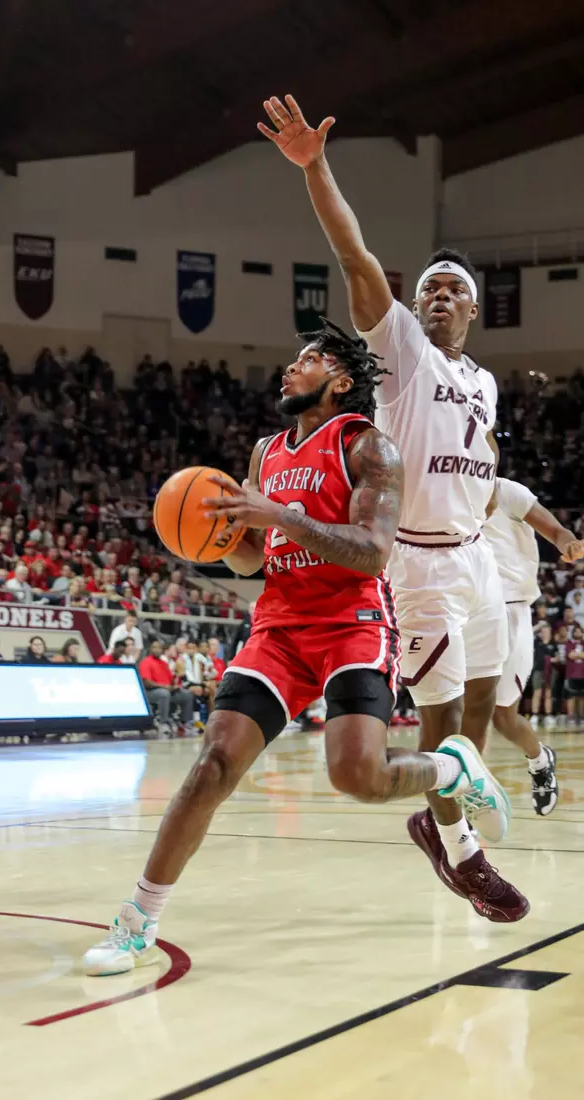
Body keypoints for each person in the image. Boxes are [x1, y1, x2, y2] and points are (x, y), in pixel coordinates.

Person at [83, 316, 511, 976]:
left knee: (355, 776)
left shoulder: (371, 448)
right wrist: (221, 537)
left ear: (339, 380)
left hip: (352, 624)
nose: (290, 367)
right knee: (210, 768)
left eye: (307, 359)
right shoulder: (265, 453)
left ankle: (450, 768)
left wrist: (278, 515)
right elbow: (261, 557)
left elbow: (371, 553)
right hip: (279, 628)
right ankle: (137, 922)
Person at [258, 94, 525, 920]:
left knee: (483, 697)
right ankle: (457, 849)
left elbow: (473, 463)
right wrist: (316, 167)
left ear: (474, 309)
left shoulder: (481, 380)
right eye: (431, 288)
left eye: (453, 291)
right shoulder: (401, 348)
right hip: (417, 561)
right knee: (441, 714)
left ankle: (446, 811)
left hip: (475, 552)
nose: (438, 298)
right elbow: (354, 254)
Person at [485, 477, 584, 814]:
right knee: (458, 712)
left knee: (503, 718)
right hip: (466, 611)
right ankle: (467, 799)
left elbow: (557, 531)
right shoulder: (446, 491)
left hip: (512, 609)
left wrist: (568, 543)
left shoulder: (506, 491)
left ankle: (540, 759)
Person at [137, 640, 195, 736]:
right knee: (164, 693)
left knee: (187, 694)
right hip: (150, 692)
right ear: (150, 649)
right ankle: (163, 723)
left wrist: (175, 683)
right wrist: (165, 687)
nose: (158, 650)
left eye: (160, 648)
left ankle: (185, 722)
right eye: (155, 647)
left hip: (167, 690)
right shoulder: (146, 662)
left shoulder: (164, 663)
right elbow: (147, 683)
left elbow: (171, 680)